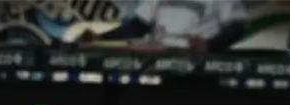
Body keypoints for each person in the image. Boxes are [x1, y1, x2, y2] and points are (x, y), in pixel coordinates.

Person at [78, 0, 246, 53]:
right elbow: (139, 26)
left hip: (200, 69)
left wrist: (210, 45)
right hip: (161, 64)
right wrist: (101, 38)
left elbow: (237, 28)